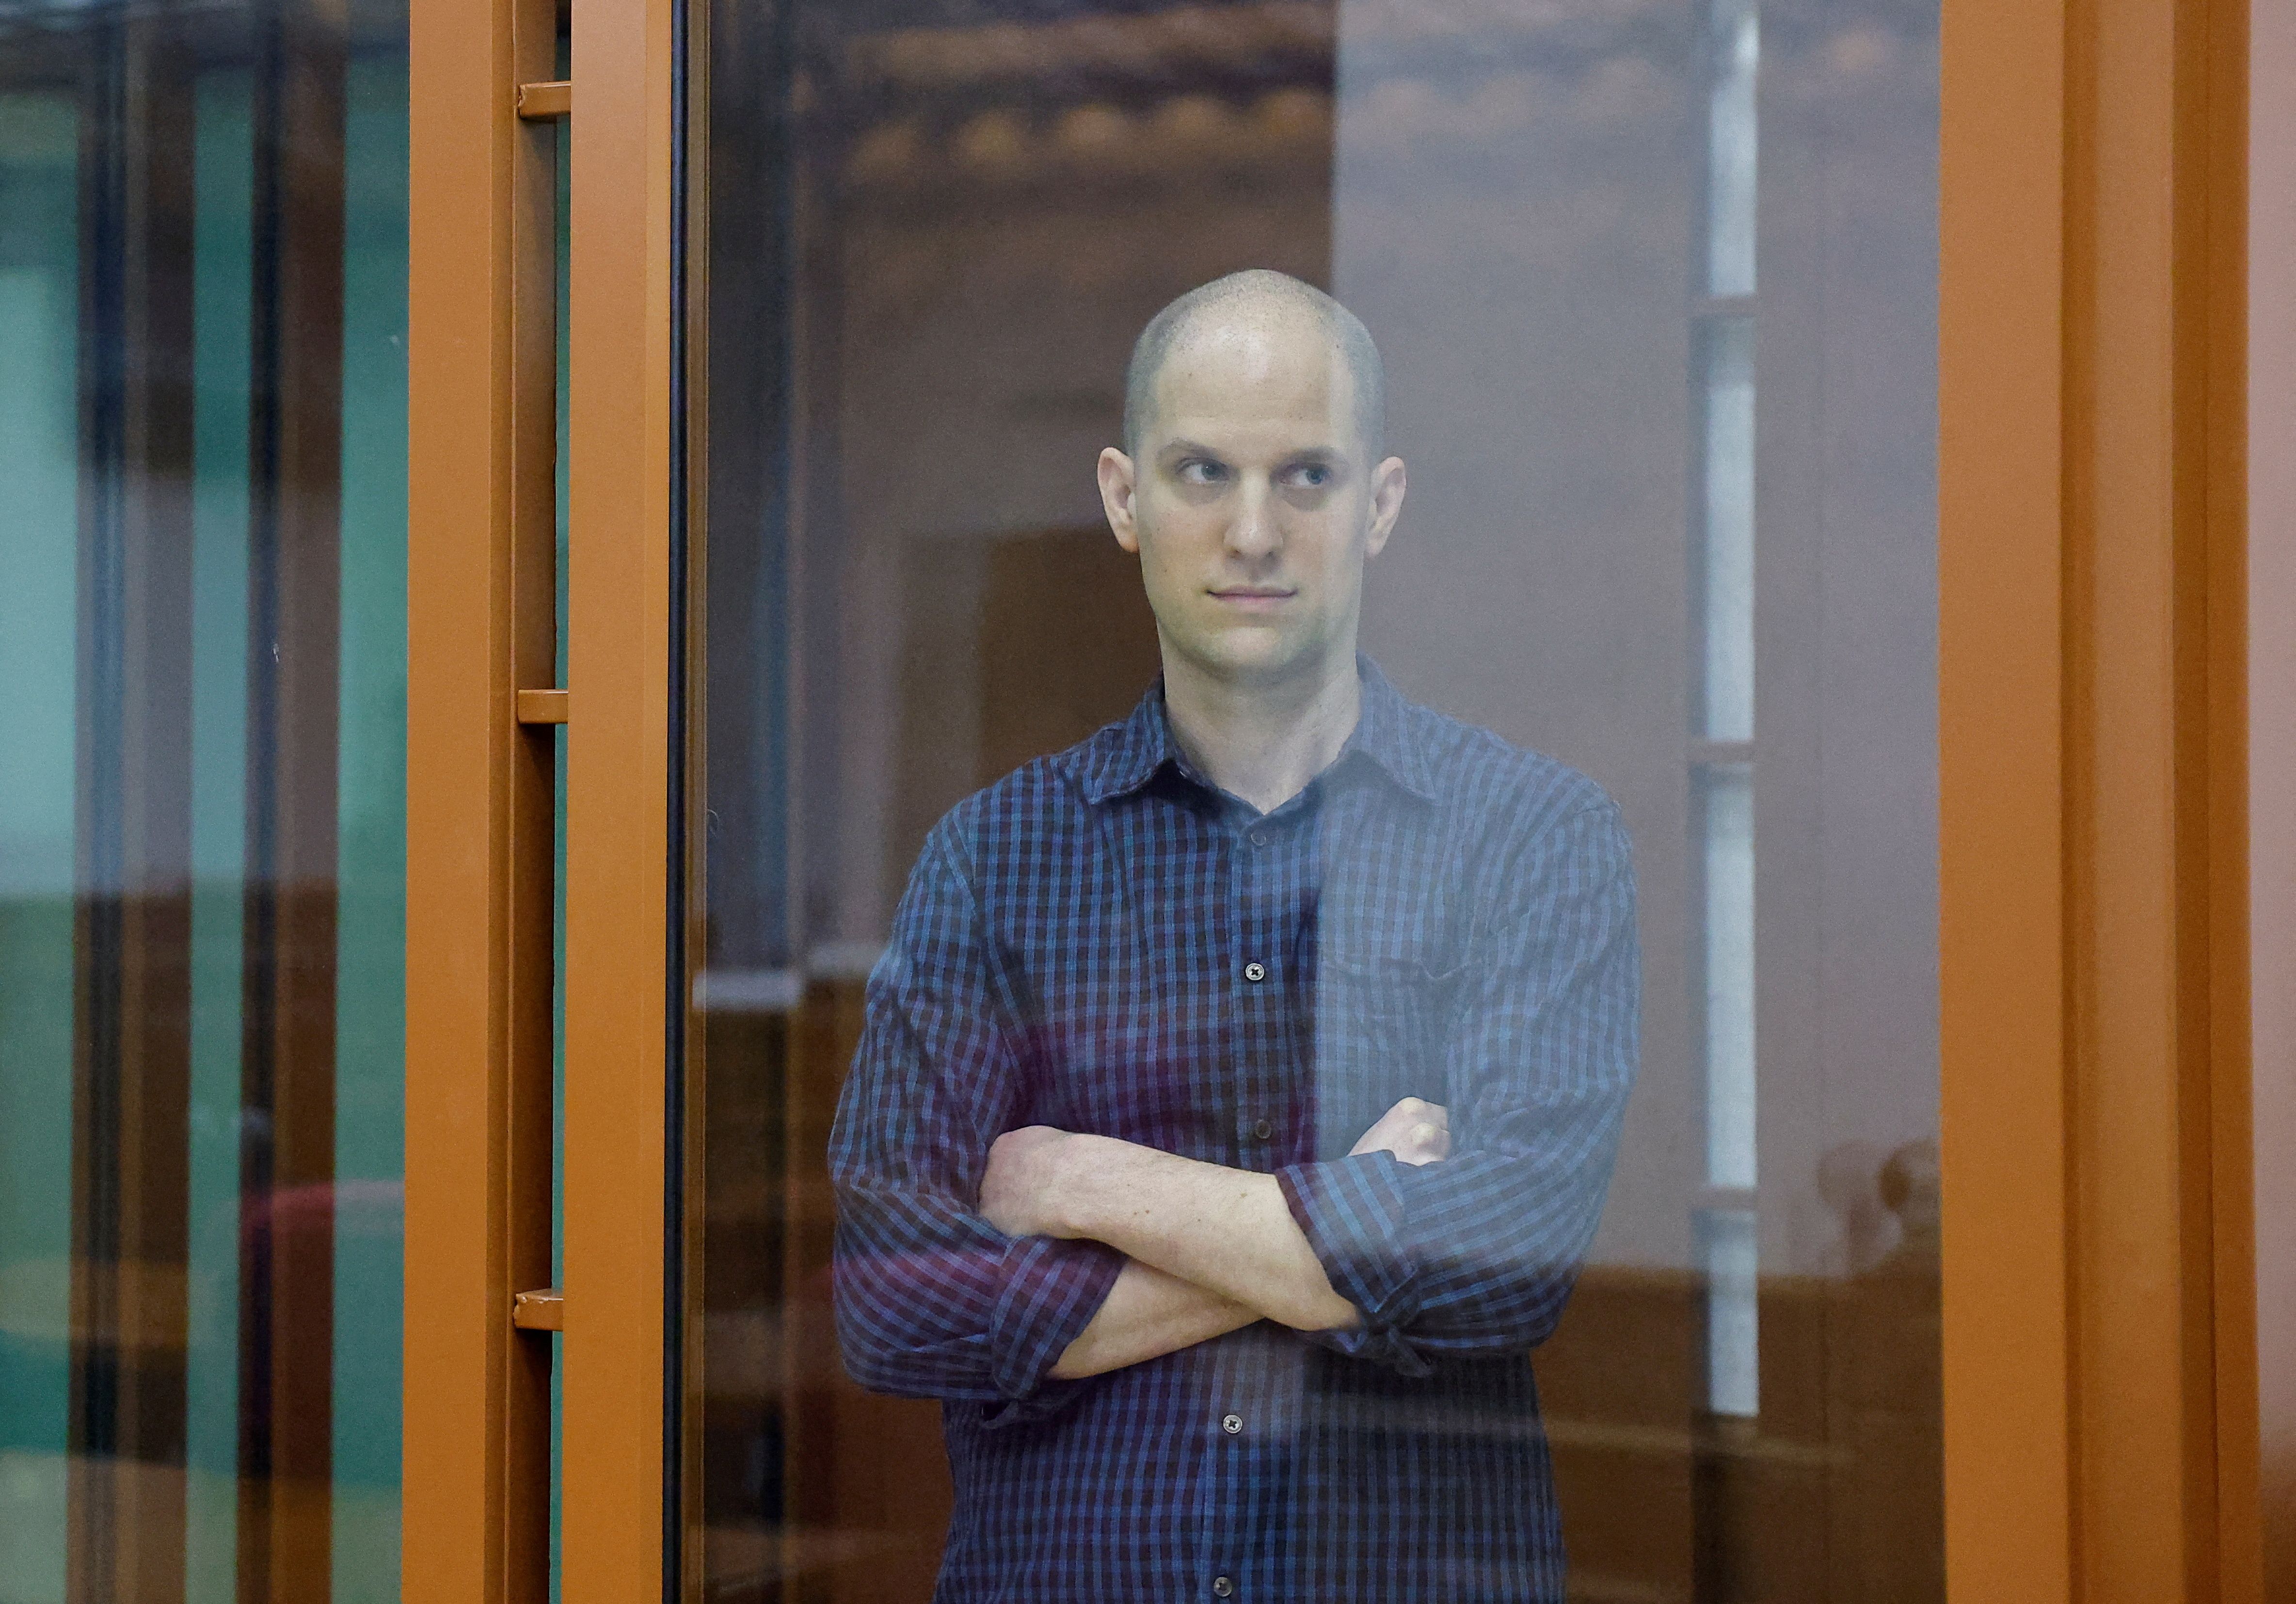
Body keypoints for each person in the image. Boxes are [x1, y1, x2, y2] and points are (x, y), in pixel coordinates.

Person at [828, 269, 1639, 1602]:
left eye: (1305, 477)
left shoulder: (1532, 836)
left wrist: (1088, 1182)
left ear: (1378, 505)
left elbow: (1509, 1256)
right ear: (1123, 497)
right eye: (1203, 470)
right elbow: (889, 1291)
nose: (1252, 530)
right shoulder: (993, 860)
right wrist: (1354, 1243)